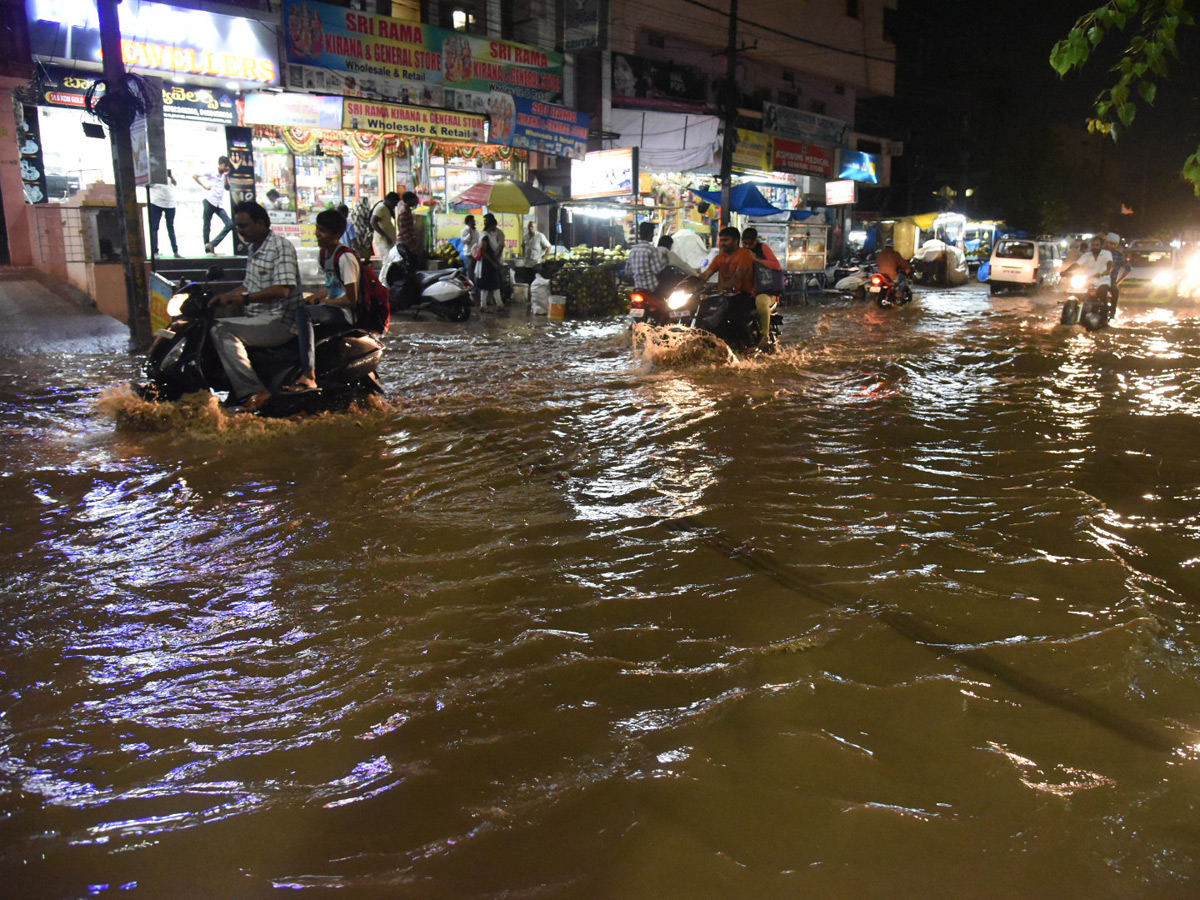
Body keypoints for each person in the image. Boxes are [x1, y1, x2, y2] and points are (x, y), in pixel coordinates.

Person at [207, 201, 304, 412]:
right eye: (237, 226)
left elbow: (282, 290)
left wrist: (242, 299)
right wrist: (226, 296)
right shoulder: (254, 248)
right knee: (210, 325)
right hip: (258, 317)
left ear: (260, 224)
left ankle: (254, 391)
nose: (239, 231)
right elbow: (247, 285)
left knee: (221, 330)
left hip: (281, 320)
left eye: (243, 226)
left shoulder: (280, 247)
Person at [281, 208, 359, 395]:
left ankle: (309, 374)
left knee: (304, 312)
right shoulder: (324, 254)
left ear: (337, 234)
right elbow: (331, 286)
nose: (316, 233)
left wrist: (322, 302)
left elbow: (351, 299)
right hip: (332, 306)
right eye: (317, 228)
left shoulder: (346, 258)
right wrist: (314, 297)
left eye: (322, 230)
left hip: (345, 313)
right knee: (298, 305)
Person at [699, 226, 757, 340]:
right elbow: (706, 274)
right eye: (721, 240)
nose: (722, 243)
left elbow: (738, 276)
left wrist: (722, 287)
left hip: (745, 295)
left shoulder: (744, 254)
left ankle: (747, 344)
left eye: (726, 240)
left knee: (734, 317)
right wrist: (692, 282)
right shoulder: (719, 258)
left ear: (736, 241)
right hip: (725, 297)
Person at [741, 227, 783, 347]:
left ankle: (764, 335)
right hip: (748, 291)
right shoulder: (740, 253)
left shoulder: (762, 248)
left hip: (766, 291)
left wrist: (757, 259)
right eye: (745, 243)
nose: (748, 246)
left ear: (756, 241)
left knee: (761, 302)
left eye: (751, 243)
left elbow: (776, 265)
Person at [1062, 234, 1114, 308]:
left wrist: (1107, 271)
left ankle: (1103, 316)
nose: (1095, 247)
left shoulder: (1107, 254)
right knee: (1078, 293)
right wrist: (1066, 271)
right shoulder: (1086, 255)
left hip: (1102, 282)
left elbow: (1110, 264)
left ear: (1101, 246)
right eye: (1093, 245)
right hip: (1088, 281)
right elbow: (1077, 264)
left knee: (1102, 295)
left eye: (1097, 245)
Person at [194, 156, 232, 254]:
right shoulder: (211, 171)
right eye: (225, 166)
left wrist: (227, 176)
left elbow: (227, 188)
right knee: (207, 225)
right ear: (220, 164)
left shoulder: (225, 175)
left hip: (219, 204)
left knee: (230, 224)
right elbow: (195, 175)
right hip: (209, 201)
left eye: (227, 166)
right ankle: (207, 250)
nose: (226, 168)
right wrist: (204, 186)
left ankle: (212, 244)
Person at [477, 212, 506, 312]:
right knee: (491, 285)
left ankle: (495, 304)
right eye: (494, 226)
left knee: (492, 285)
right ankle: (491, 305)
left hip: (490, 263)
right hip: (487, 264)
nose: (495, 228)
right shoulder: (485, 236)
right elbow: (483, 251)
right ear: (492, 225)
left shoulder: (488, 235)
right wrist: (493, 262)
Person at [147, 169, 180, 258]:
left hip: (159, 203)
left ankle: (156, 252)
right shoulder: (165, 178)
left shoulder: (156, 177)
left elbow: (147, 185)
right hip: (167, 204)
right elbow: (175, 183)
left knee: (155, 228)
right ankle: (175, 251)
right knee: (169, 227)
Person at [627, 221, 665, 292]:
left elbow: (628, 271)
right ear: (650, 234)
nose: (653, 235)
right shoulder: (651, 249)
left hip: (637, 287)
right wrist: (664, 261)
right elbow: (657, 270)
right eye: (653, 233)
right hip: (651, 287)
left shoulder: (633, 250)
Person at [1105, 232, 1131, 314]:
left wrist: (1118, 282)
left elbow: (1128, 268)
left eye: (1114, 244)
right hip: (1094, 279)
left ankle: (1112, 312)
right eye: (1110, 243)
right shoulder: (1099, 253)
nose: (1111, 246)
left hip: (1110, 281)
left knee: (1115, 292)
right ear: (1106, 243)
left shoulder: (1119, 255)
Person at [371, 191, 400, 259]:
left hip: (388, 240)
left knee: (391, 261)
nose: (394, 205)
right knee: (387, 262)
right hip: (383, 241)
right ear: (389, 200)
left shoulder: (387, 208)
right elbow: (373, 222)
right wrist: (385, 236)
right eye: (394, 203)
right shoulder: (381, 208)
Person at [397, 190, 420, 260]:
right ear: (408, 200)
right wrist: (413, 248)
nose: (416, 202)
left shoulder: (407, 212)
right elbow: (405, 233)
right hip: (406, 245)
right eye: (414, 200)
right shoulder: (404, 214)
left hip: (408, 244)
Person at [460, 214, 480, 279]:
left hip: (476, 254)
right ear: (468, 222)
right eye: (473, 221)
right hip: (469, 254)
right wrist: (469, 234)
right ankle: (471, 286)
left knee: (476, 271)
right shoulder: (464, 231)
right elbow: (464, 241)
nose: (474, 222)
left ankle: (476, 286)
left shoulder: (476, 231)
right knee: (470, 271)